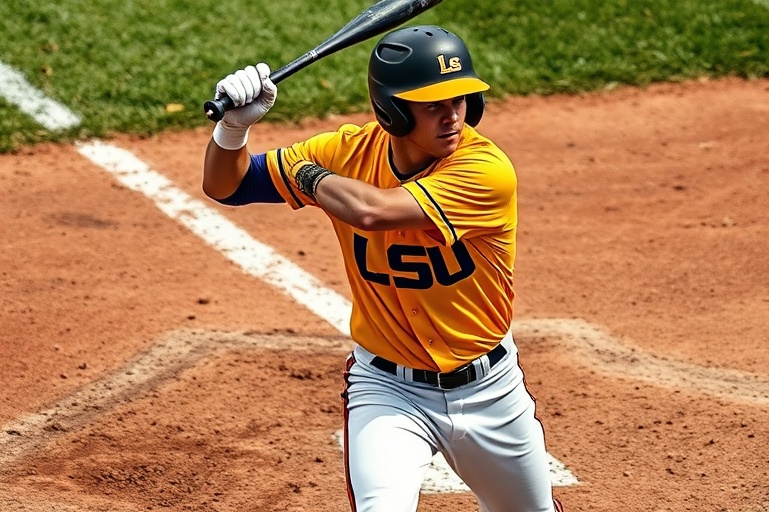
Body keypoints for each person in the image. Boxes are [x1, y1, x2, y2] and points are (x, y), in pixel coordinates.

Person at [203, 25, 564, 512]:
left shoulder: (486, 171)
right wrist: (233, 129)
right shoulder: (348, 154)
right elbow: (228, 185)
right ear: (392, 110)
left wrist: (306, 175)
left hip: (492, 393)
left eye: (460, 99)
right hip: (388, 392)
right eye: (432, 104)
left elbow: (370, 211)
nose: (452, 115)